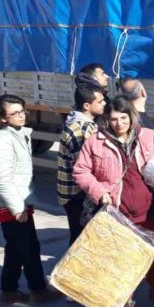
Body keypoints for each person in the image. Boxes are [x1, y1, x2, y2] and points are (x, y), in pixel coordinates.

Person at [73, 96, 154, 307]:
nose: (119, 123)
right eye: (113, 119)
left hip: (149, 206)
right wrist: (100, 192)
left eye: (123, 117)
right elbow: (80, 171)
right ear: (107, 120)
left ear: (131, 116)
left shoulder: (148, 136)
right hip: (117, 210)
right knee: (121, 260)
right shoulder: (96, 142)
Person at [0, 94, 62, 307]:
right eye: (14, 113)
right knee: (29, 248)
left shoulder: (16, 134)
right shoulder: (2, 140)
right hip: (12, 204)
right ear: (2, 118)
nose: (21, 115)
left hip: (19, 201)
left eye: (22, 111)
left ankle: (9, 291)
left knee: (15, 247)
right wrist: (17, 208)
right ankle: (38, 290)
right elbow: (1, 179)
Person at [57, 85, 106, 245]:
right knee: (81, 241)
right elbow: (84, 167)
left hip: (72, 194)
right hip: (77, 194)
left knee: (78, 236)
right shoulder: (83, 128)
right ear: (86, 105)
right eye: (100, 101)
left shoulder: (76, 122)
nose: (104, 104)